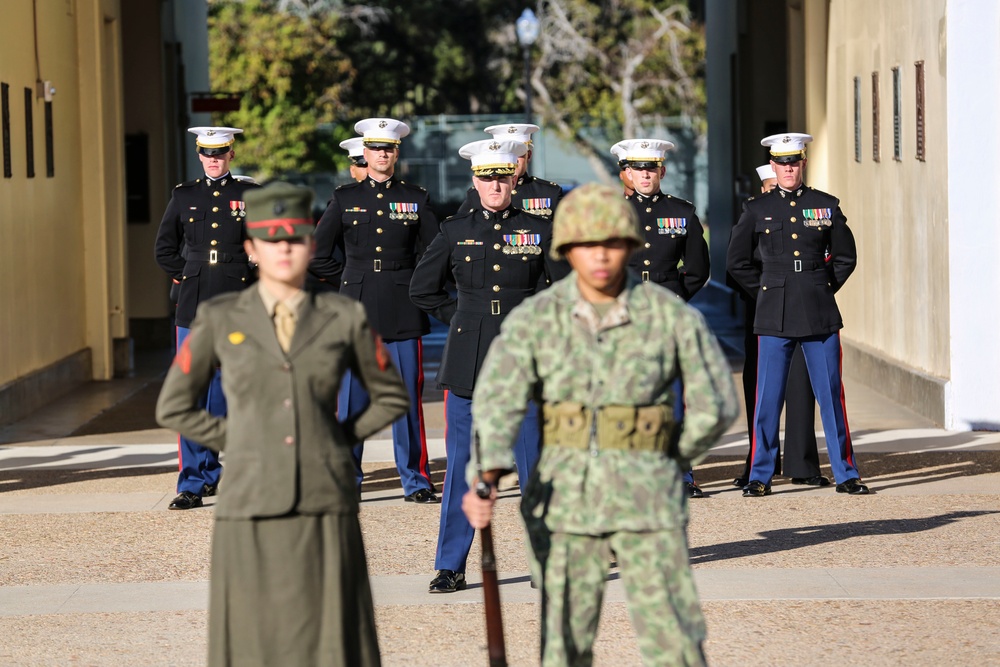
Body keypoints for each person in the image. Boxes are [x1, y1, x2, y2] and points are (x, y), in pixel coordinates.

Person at [463, 183, 738, 666]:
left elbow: (716, 402)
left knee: (674, 641)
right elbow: (496, 400)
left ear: (630, 245)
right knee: (565, 644)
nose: (601, 256)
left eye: (612, 242)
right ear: (566, 249)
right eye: (587, 244)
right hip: (566, 502)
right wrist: (485, 472)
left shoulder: (667, 314)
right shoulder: (537, 319)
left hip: (647, 501)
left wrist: (670, 458)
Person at [156, 181, 408, 667]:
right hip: (249, 497)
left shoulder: (341, 315)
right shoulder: (217, 317)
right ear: (251, 248)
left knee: (335, 627)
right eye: (271, 240)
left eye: (294, 239)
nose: (284, 250)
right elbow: (175, 406)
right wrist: (237, 440)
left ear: (311, 245)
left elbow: (390, 395)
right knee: (251, 631)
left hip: (323, 494)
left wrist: (337, 438)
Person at [410, 138, 563, 594]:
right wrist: (459, 318)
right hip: (468, 362)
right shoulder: (455, 230)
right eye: (487, 177)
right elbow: (423, 288)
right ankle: (451, 565)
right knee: (462, 467)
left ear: (514, 178)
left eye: (503, 176)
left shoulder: (539, 228)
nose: (495, 185)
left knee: (535, 464)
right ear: (474, 181)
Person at [727, 132, 868, 496]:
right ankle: (760, 476)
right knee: (767, 398)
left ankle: (846, 473)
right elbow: (737, 262)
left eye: (794, 162)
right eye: (782, 163)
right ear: (773, 165)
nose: (788, 169)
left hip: (818, 311)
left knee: (831, 395)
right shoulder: (756, 210)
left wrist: (822, 286)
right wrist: (765, 291)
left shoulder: (825, 205)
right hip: (773, 312)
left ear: (803, 163)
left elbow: (845, 257)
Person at [310, 118, 440, 503]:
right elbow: (318, 255)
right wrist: (349, 282)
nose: (382, 155)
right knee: (350, 400)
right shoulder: (345, 198)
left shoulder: (416, 198)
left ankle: (415, 480)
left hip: (402, 305)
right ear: (364, 154)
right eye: (376, 149)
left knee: (406, 399)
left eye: (389, 149)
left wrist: (420, 285)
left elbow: (434, 252)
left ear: (396, 153)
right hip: (357, 306)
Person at [153, 126, 259, 511]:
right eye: (207, 153)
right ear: (199, 155)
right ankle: (194, 481)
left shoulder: (249, 194)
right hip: (194, 302)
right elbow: (164, 247)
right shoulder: (184, 196)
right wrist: (189, 271)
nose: (214, 159)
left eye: (220, 152)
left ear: (231, 153)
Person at [620, 138, 711, 497]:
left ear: (662, 170)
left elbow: (698, 268)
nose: (645, 175)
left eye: (651, 168)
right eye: (638, 169)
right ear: (627, 173)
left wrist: (675, 299)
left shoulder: (682, 212)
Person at [731, 164, 826, 488]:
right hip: (762, 312)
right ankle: (756, 467)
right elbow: (736, 265)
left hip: (803, 309)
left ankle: (802, 463)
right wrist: (766, 294)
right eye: (770, 188)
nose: (776, 193)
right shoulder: (753, 216)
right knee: (762, 392)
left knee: (802, 386)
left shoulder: (809, 215)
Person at [457, 123, 563, 218]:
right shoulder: (476, 194)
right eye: (505, 155)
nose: (512, 161)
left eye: (518, 154)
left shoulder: (549, 192)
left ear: (529, 155)